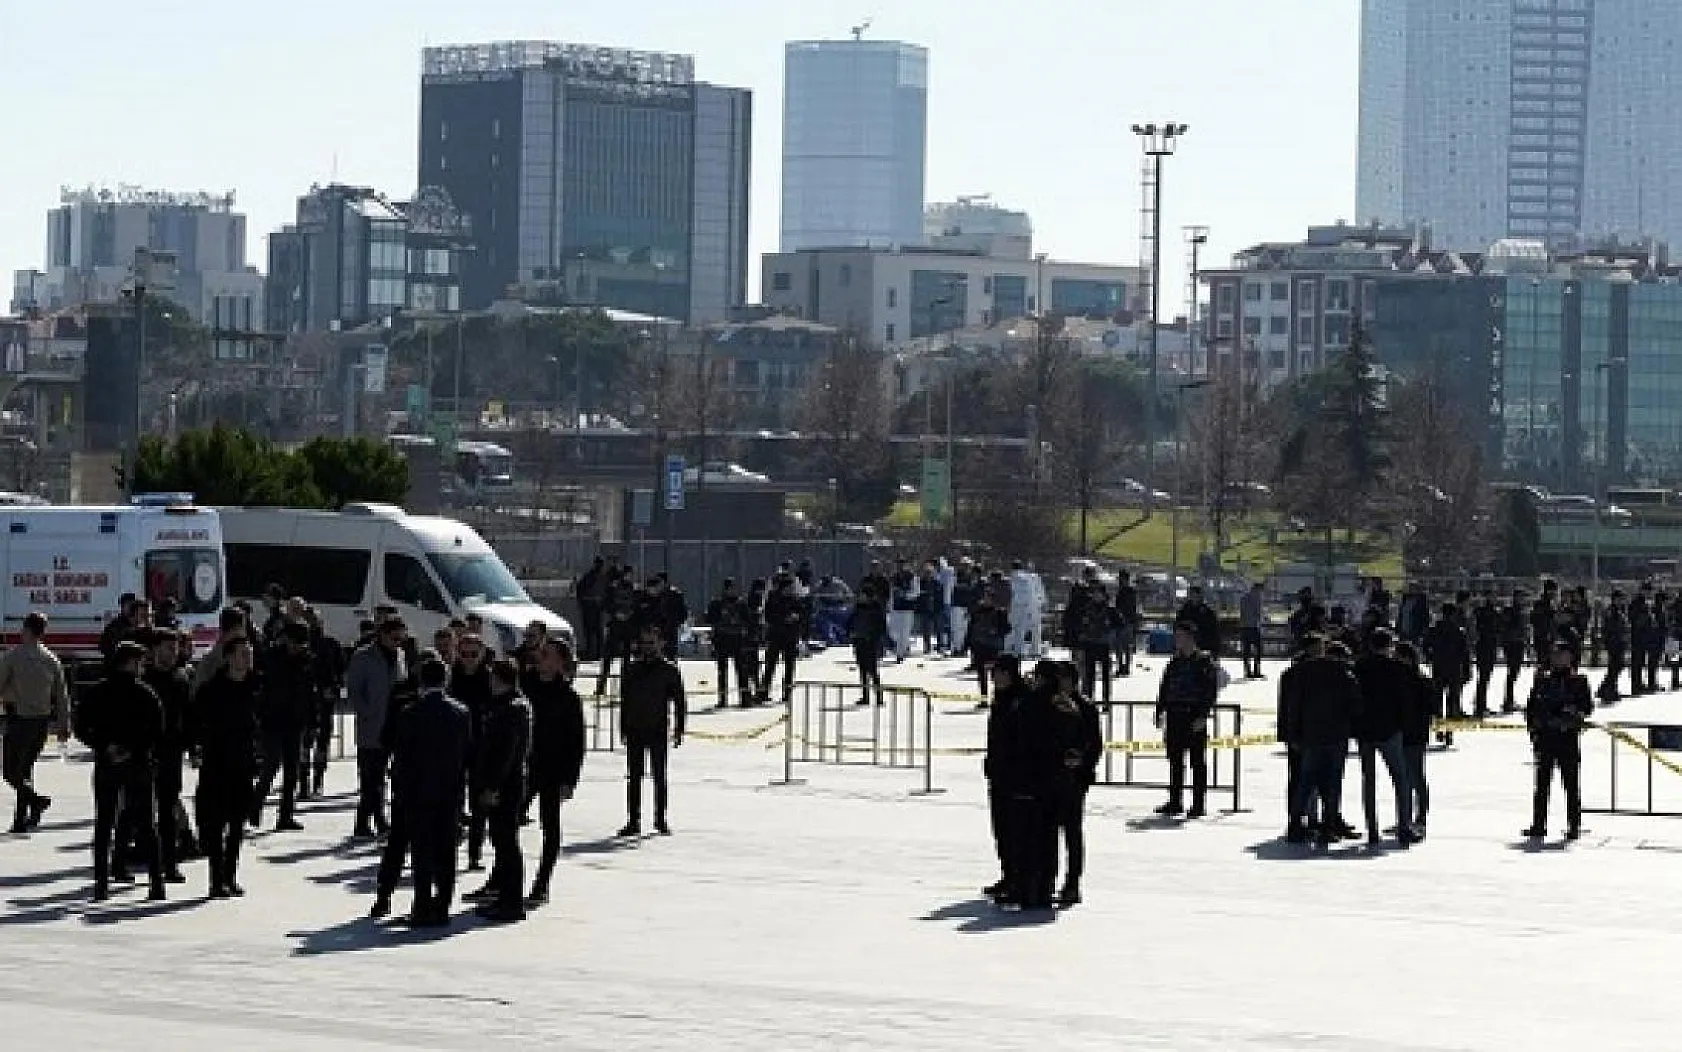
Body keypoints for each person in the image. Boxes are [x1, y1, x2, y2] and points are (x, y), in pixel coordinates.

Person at [379, 657, 473, 927]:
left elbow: (402, 754)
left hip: (418, 790)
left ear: (421, 681)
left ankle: (421, 905)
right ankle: (442, 905)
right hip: (450, 790)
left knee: (422, 850)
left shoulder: (410, 712)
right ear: (445, 680)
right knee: (446, 850)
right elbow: (468, 752)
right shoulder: (461, 712)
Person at [76, 640, 167, 901]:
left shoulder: (97, 692)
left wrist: (104, 747)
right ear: (131, 662)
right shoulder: (146, 694)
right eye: (139, 662)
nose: (141, 667)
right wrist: (135, 749)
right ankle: (156, 883)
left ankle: (101, 884)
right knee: (147, 824)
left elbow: (82, 727)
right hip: (138, 763)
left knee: (104, 823)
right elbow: (157, 730)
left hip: (107, 763)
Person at [189, 636, 261, 897]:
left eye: (249, 653)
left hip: (245, 765)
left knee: (238, 826)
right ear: (229, 657)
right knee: (216, 824)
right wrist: (196, 748)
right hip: (217, 764)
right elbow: (196, 722)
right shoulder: (212, 690)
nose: (247, 658)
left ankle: (231, 875)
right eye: (242, 653)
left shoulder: (256, 687)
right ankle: (216, 879)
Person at [522, 639, 586, 907]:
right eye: (541, 653)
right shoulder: (526, 687)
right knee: (506, 823)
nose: (541, 658)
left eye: (547, 655)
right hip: (523, 767)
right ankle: (501, 879)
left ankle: (542, 883)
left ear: (560, 662)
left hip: (553, 770)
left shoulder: (568, 698)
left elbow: (577, 742)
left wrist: (569, 780)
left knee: (550, 827)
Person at [467, 658, 531, 923]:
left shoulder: (511, 710)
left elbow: (505, 754)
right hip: (509, 781)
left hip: (506, 784)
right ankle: (505, 896)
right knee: (503, 841)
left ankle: (511, 901)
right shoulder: (510, 706)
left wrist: (492, 786)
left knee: (506, 843)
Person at [1285, 636, 1363, 848]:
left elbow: (1294, 705)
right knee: (1333, 782)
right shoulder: (1344, 673)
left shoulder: (1303, 671)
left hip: (1311, 735)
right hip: (1336, 735)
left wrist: (1293, 734)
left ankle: (1295, 825)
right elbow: (1356, 704)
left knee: (1305, 782)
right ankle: (1327, 828)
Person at [0, 611, 68, 833]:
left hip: (18, 719)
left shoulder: (13, 657)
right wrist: (63, 724)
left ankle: (35, 801)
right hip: (41, 723)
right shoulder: (51, 659)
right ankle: (22, 818)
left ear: (26, 630)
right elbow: (62, 695)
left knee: (11, 772)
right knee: (26, 770)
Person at [1351, 629, 1417, 848]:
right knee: (1400, 779)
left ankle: (1372, 830)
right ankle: (1404, 827)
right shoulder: (1398, 668)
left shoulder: (1359, 667)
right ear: (1389, 645)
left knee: (1368, 780)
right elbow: (1405, 700)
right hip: (1390, 730)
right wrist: (1404, 726)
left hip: (1364, 730)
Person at [618, 627, 686, 837]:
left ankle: (660, 819)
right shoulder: (632, 669)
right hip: (635, 728)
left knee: (659, 776)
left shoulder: (669, 670)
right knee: (634, 776)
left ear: (661, 643)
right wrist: (623, 726)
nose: (648, 647)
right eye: (644, 643)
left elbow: (680, 702)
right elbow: (625, 700)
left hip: (657, 729)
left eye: (652, 642)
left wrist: (679, 728)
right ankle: (633, 820)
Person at [1524, 638, 1594, 841]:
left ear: (1570, 657)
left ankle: (1574, 825)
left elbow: (1587, 707)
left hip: (1567, 738)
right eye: (1554, 654)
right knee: (1542, 784)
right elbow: (1532, 707)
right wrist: (1534, 731)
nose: (1557, 658)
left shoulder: (1578, 680)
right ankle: (1539, 824)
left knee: (1571, 785)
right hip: (1546, 738)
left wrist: (1573, 712)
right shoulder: (1543, 679)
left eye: (1561, 654)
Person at [346, 617, 408, 839]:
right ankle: (363, 822)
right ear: (382, 635)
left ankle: (381, 820)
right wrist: (366, 712)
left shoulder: (400, 656)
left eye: (401, 638)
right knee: (369, 778)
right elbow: (353, 689)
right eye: (394, 638)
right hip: (372, 725)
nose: (398, 642)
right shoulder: (363, 656)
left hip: (394, 725)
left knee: (384, 777)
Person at [252, 622, 317, 832]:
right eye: (295, 642)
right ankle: (255, 805)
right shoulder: (271, 658)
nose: (298, 647)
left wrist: (312, 721)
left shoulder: (306, 661)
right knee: (270, 765)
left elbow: (310, 693)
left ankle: (286, 815)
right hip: (272, 720)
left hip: (295, 721)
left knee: (292, 771)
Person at [1153, 621, 1219, 819]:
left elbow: (1210, 692)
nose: (1177, 640)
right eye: (1176, 636)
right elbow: (1164, 688)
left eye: (1180, 636)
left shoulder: (1204, 662)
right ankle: (1175, 801)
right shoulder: (1174, 662)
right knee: (1175, 761)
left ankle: (1198, 804)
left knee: (1197, 763)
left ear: (1190, 638)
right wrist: (1160, 711)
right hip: (1174, 716)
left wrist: (1202, 715)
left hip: (1193, 716)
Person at [142, 628, 193, 882]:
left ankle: (170, 865)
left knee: (168, 807)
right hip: (144, 752)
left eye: (175, 649)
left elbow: (189, 716)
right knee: (137, 808)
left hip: (172, 752)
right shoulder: (144, 680)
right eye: (167, 648)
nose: (173, 654)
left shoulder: (181, 678)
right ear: (154, 651)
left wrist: (192, 745)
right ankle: (122, 860)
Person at [1051, 661, 1102, 907]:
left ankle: (1072, 882)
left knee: (1072, 831)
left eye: (1066, 679)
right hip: (1051, 777)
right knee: (1049, 832)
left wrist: (1082, 762)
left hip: (1075, 779)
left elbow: (1095, 744)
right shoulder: (1050, 706)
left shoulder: (1086, 707)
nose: (1063, 684)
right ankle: (1046, 880)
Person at [981, 655, 1030, 904]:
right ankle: (1007, 875)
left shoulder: (1021, 701)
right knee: (1000, 830)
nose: (994, 677)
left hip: (1016, 776)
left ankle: (1019, 880)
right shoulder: (1000, 699)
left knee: (1016, 832)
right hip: (998, 773)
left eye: (999, 673)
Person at [302, 606, 346, 800]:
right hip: (305, 701)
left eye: (316, 622)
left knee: (322, 742)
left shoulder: (331, 644)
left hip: (325, 699)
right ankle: (303, 782)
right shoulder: (301, 646)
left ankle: (318, 780)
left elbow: (340, 670)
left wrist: (334, 689)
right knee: (305, 742)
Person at [1394, 641, 1434, 840]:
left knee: (1415, 775)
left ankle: (1419, 815)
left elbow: (1430, 706)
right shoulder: (1408, 680)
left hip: (1413, 733)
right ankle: (1405, 816)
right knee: (1405, 777)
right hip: (1406, 732)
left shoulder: (1418, 681)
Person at [1064, 567, 1115, 703]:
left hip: (1102, 644)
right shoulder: (1084, 602)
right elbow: (1075, 619)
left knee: (1103, 675)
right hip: (1088, 643)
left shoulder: (1107, 608)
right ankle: (1087, 697)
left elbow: (1117, 621)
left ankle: (1104, 699)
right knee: (1087, 673)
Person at [706, 578, 755, 709]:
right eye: (729, 588)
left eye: (733, 588)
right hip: (722, 639)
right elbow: (710, 619)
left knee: (742, 670)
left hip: (737, 639)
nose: (732, 591)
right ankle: (722, 698)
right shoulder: (716, 603)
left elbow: (748, 620)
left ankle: (745, 698)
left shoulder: (741, 604)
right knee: (722, 671)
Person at [758, 573, 806, 706]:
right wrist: (783, 619)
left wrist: (796, 619)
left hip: (790, 637)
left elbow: (802, 615)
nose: (792, 589)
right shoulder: (773, 599)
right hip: (776, 636)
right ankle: (764, 691)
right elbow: (769, 616)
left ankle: (787, 693)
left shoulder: (795, 600)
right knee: (770, 665)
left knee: (789, 666)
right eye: (789, 587)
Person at [1423, 602, 1472, 723]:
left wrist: (1431, 657)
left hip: (1438, 665)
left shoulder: (1434, 629)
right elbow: (1465, 652)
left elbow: (1425, 646)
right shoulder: (1459, 631)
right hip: (1454, 667)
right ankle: (1449, 729)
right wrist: (1467, 669)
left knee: (1438, 697)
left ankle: (1439, 724)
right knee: (1452, 699)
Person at [595, 568, 638, 695]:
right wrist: (616, 613)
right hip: (615, 626)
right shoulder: (613, 588)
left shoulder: (634, 590)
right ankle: (601, 687)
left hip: (627, 627)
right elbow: (605, 604)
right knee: (608, 658)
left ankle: (625, 687)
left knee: (626, 660)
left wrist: (630, 614)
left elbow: (636, 607)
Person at [849, 583, 889, 708]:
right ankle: (865, 696)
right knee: (862, 670)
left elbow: (881, 626)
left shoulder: (877, 608)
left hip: (871, 642)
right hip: (859, 641)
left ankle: (878, 696)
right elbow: (851, 622)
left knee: (872, 670)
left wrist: (874, 638)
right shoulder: (858, 607)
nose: (860, 597)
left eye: (863, 595)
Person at [1499, 589, 1529, 713]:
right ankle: (1508, 700)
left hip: (1518, 643)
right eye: (1521, 597)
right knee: (1512, 672)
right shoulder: (1510, 611)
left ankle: (1510, 699)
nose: (1523, 600)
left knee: (1514, 672)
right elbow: (1506, 627)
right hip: (1512, 643)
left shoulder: (1520, 611)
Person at [1470, 592, 1500, 718]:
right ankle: (1480, 705)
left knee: (1484, 677)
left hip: (1486, 646)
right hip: (1486, 646)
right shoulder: (1489, 613)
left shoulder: (1481, 612)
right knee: (1484, 677)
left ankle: (1480, 703)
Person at [575, 555, 608, 662]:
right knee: (596, 632)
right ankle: (597, 653)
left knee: (591, 632)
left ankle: (593, 653)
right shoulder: (600, 577)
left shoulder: (590, 576)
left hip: (591, 607)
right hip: (593, 607)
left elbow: (579, 591)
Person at [1176, 585, 1222, 662]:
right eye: (1191, 594)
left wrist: (1198, 628)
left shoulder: (1207, 611)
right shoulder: (1185, 609)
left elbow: (1213, 630)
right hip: (1187, 644)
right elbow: (1178, 623)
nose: (1193, 597)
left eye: (1195, 594)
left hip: (1203, 644)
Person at [1599, 590, 1628, 703]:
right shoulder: (1611, 611)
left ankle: (1607, 688)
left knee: (1617, 666)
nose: (1621, 601)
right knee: (1615, 666)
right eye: (1619, 599)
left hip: (1619, 642)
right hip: (1613, 642)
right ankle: (1609, 690)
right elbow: (1609, 627)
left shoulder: (1619, 611)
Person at [888, 560, 919, 661]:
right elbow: (891, 592)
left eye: (902, 564)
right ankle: (902, 647)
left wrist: (905, 595)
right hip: (896, 608)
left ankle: (900, 653)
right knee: (893, 632)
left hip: (907, 608)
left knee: (904, 632)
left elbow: (916, 592)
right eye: (898, 564)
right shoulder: (894, 577)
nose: (900, 566)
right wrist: (890, 605)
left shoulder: (911, 576)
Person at [1114, 570, 1140, 676]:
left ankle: (1126, 667)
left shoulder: (1129, 592)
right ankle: (1121, 666)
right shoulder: (1122, 591)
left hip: (1127, 621)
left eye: (1122, 578)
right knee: (1120, 646)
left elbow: (1130, 608)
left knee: (1125, 646)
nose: (1120, 580)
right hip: (1122, 621)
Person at [1239, 582, 1266, 680]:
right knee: (1257, 650)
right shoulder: (1257, 598)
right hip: (1254, 627)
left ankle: (1247, 671)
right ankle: (1256, 670)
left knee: (1246, 651)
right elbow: (1258, 613)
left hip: (1244, 627)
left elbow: (1242, 614)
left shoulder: (1243, 598)